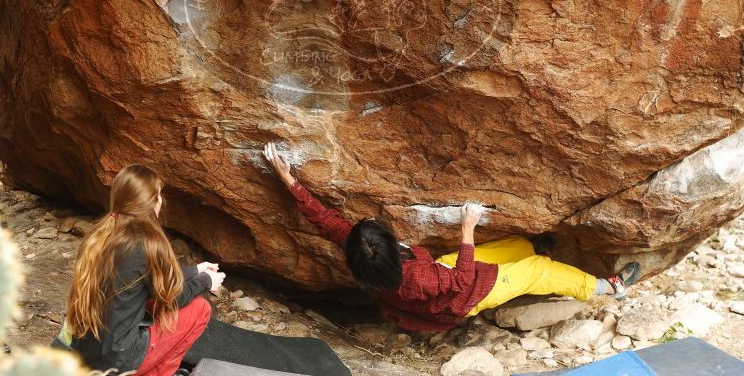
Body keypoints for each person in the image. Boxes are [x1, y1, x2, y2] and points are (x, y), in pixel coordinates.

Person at [263, 142, 641, 332]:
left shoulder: (365, 258)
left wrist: (289, 180)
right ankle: (607, 288)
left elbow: (327, 222)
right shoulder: (416, 276)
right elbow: (461, 278)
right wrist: (466, 230)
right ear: (393, 253)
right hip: (465, 293)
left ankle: (531, 249)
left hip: (444, 278)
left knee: (516, 248)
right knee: (538, 270)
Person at [65, 164, 226, 375]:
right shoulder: (147, 242)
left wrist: (195, 270)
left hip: (85, 352)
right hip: (117, 359)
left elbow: (143, 274)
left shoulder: (100, 234)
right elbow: (173, 297)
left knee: (149, 299)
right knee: (199, 309)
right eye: (158, 195)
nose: (161, 201)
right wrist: (206, 281)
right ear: (151, 202)